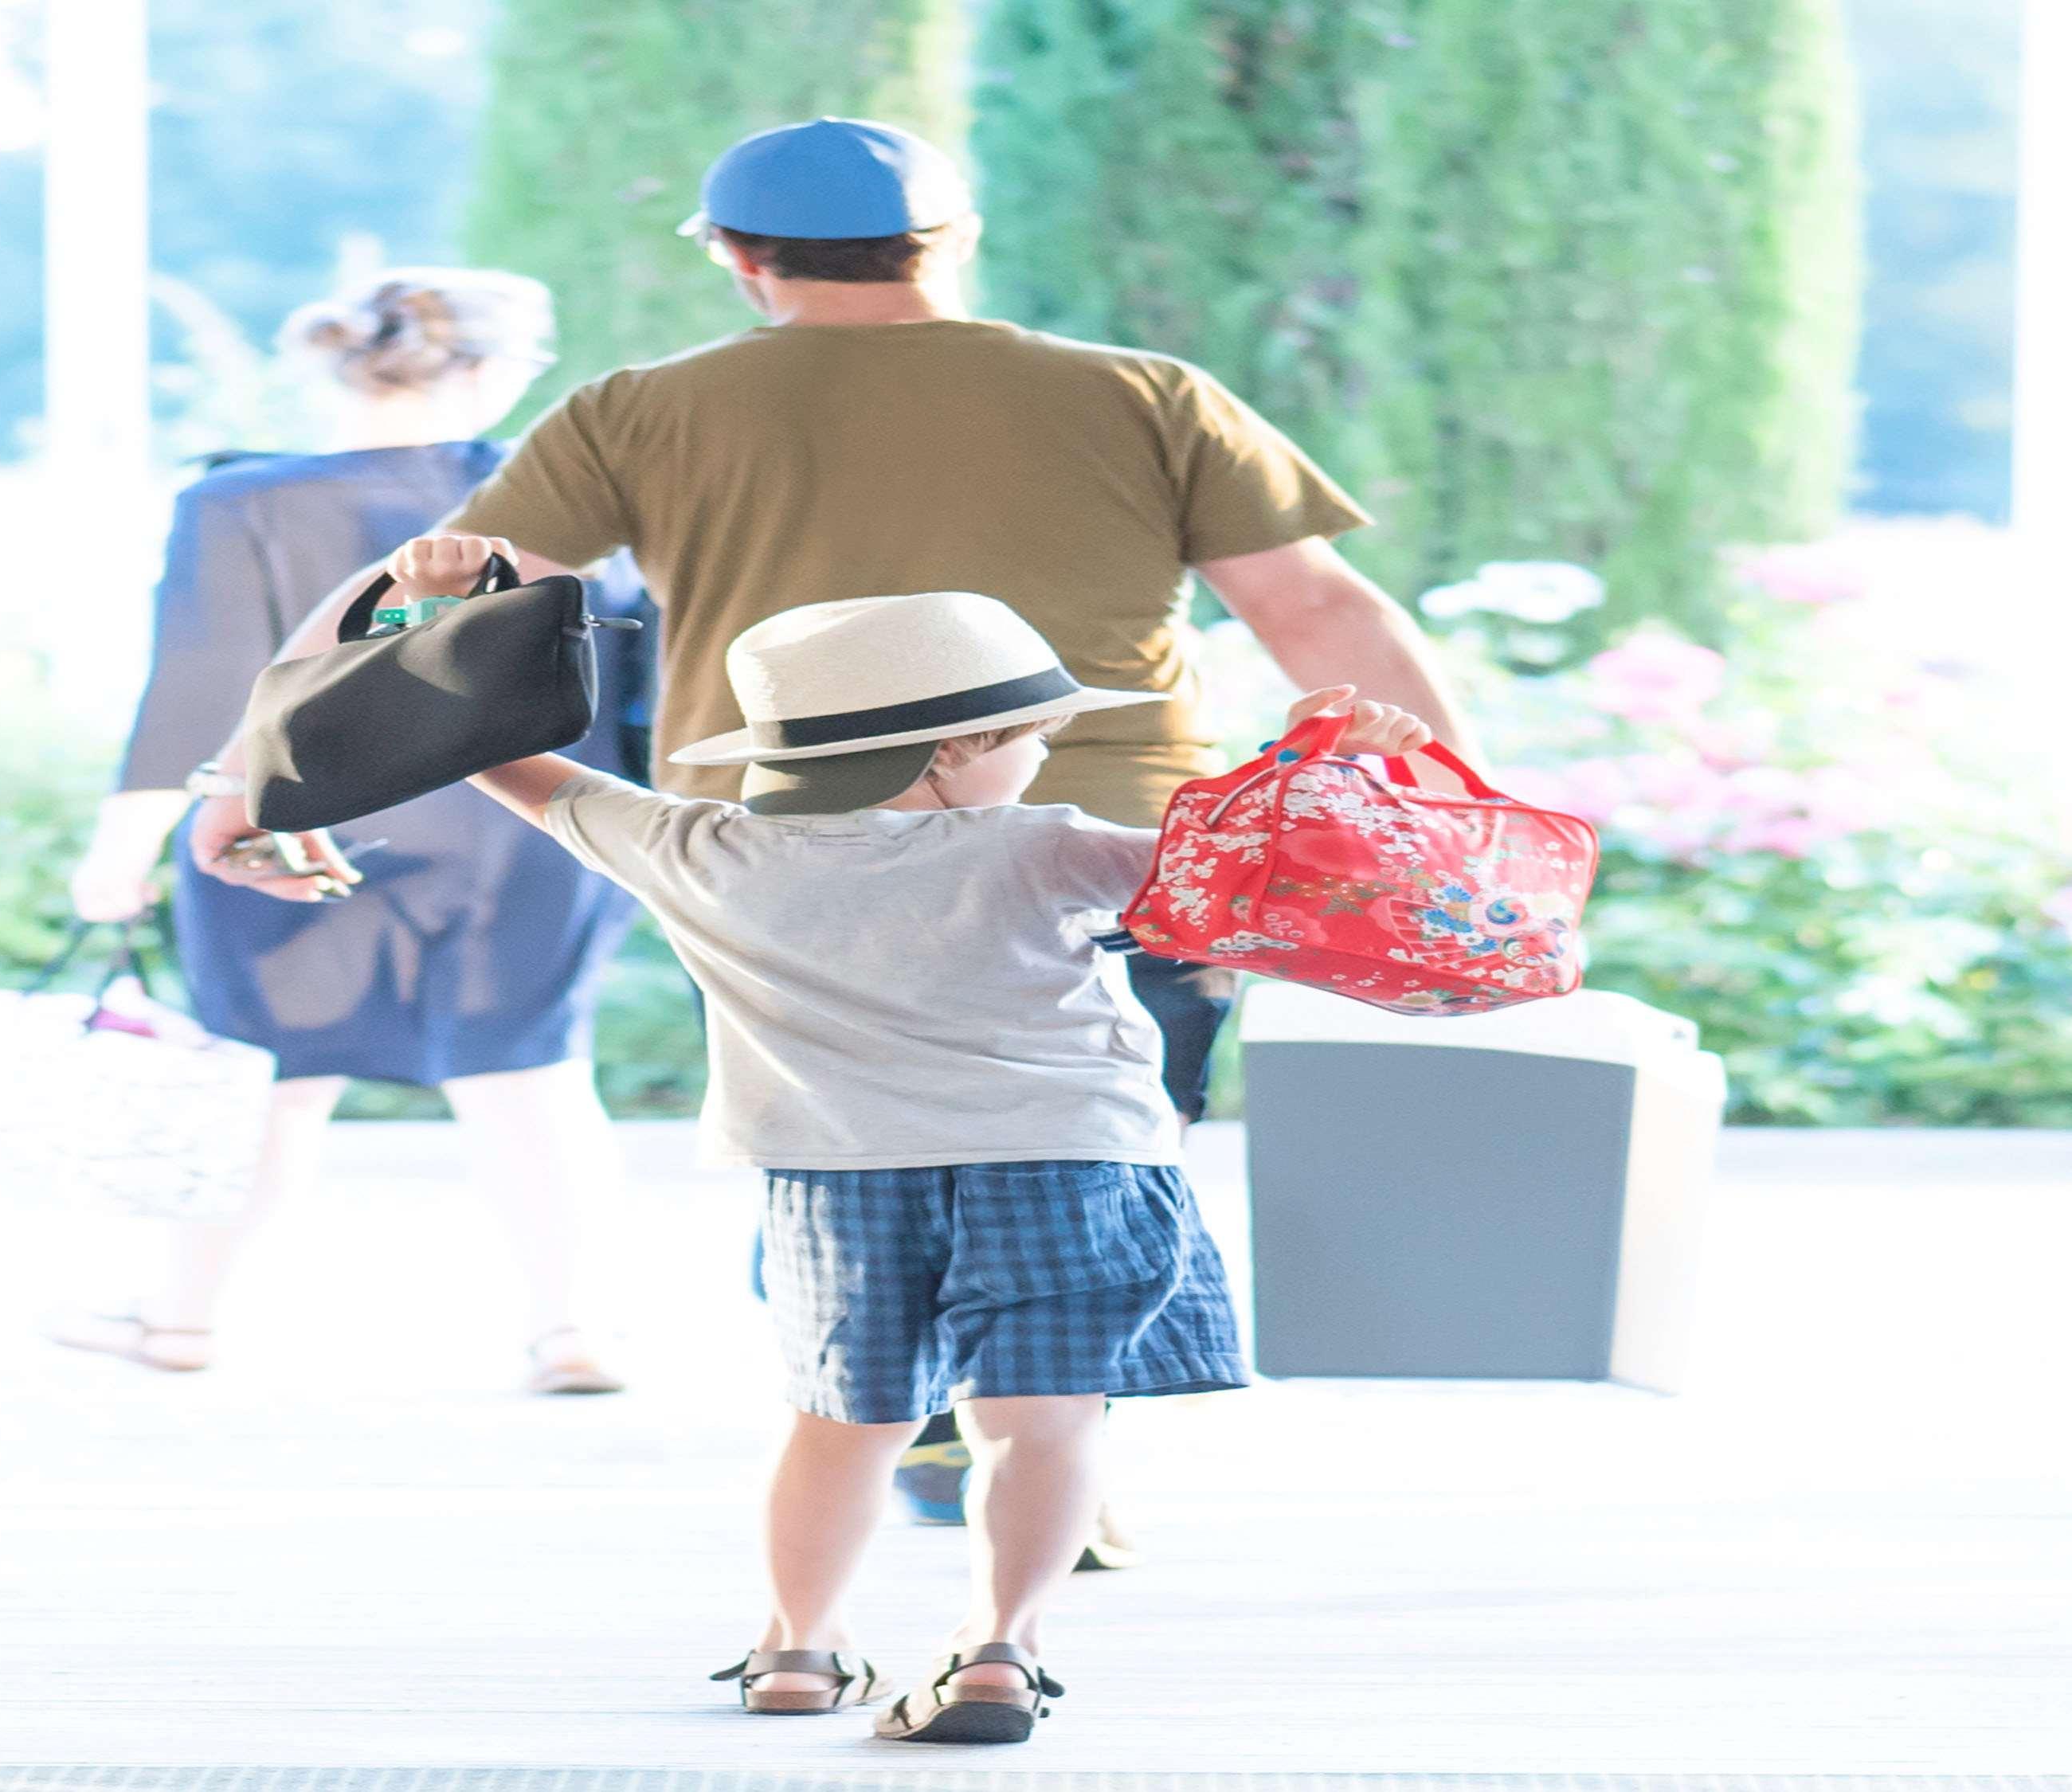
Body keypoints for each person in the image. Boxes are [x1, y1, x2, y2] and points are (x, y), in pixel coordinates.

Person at [179, 120, 1479, 1498]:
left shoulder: (638, 410)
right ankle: (1042, 1446)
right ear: (953, 242)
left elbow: (425, 592)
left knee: (834, 1142)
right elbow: (1318, 608)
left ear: (743, 262)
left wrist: (248, 773)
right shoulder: (1146, 392)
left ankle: (890, 1390)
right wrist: (1451, 818)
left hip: (786, 858)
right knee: (1099, 1143)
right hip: (1113, 846)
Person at [394, 544, 1433, 1742]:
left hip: (843, 1180)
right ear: (952, 752)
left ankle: (795, 1646)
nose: (1042, 751)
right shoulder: (1047, 845)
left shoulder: (697, 850)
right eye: (1031, 730)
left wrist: (434, 624)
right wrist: (1327, 764)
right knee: (1043, 1419)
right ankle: (1000, 1649)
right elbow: (1256, 881)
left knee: (844, 1425)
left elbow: (496, 761)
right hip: (1073, 1161)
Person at [58, 270, 653, 1395]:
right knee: (530, 1071)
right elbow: (631, 675)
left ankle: (183, 1318)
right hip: (530, 826)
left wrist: (121, 850)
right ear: (486, 369)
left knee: (264, 1079)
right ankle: (571, 1329)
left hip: (288, 822)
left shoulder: (236, 502)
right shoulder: (578, 497)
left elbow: (198, 690)